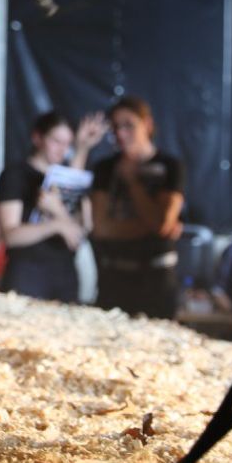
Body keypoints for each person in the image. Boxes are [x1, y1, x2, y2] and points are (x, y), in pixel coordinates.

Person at [0, 110, 108, 302]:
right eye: (56, 141)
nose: (62, 150)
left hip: (65, 272)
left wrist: (82, 147)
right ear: (37, 138)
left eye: (67, 144)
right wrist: (56, 225)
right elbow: (11, 236)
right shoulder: (16, 175)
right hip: (28, 273)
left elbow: (79, 230)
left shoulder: (63, 175)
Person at [89, 96, 186, 319]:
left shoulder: (170, 166)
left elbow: (162, 224)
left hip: (157, 279)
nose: (121, 134)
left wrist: (133, 182)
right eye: (116, 127)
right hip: (114, 278)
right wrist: (151, 225)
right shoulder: (105, 168)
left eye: (129, 125)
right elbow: (101, 229)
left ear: (147, 124)